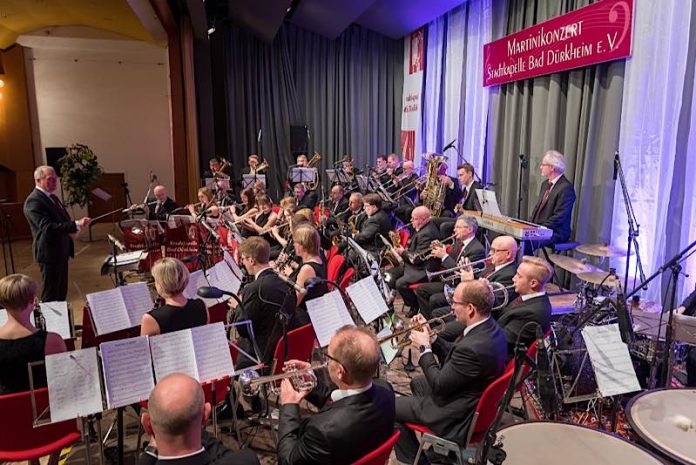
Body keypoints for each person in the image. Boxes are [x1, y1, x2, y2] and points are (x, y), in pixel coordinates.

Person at [394, 280, 507, 465]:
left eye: (455, 302)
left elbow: (439, 385)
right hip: (467, 396)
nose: (452, 306)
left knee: (388, 408)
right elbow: (455, 357)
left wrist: (424, 349)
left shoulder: (473, 348)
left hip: (456, 414)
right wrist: (432, 336)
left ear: (470, 308)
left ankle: (420, 462)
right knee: (418, 383)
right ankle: (439, 452)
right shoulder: (490, 329)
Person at [277, 326, 395, 465]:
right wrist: (313, 383)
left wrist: (288, 406)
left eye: (328, 357)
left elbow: (287, 460)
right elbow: (346, 402)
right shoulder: (385, 390)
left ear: (340, 372)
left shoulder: (321, 430)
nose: (326, 363)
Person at [139, 373, 259, 465]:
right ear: (205, 415)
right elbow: (221, 453)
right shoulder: (246, 461)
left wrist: (149, 453)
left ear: (147, 425)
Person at [432, 235, 519, 341]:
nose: (490, 253)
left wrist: (470, 282)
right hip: (470, 309)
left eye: (494, 250)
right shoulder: (493, 265)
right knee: (435, 314)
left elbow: (491, 304)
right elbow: (479, 280)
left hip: (479, 318)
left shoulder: (510, 275)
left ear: (508, 254)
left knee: (437, 333)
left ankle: (453, 351)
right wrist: (469, 272)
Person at [23, 165, 91, 302]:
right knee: (52, 294)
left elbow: (63, 220)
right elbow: (47, 228)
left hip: (61, 251)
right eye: (50, 179)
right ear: (38, 180)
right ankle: (50, 322)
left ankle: (61, 322)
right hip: (49, 253)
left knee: (61, 292)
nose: (54, 182)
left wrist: (76, 227)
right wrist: (76, 224)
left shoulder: (52, 198)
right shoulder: (34, 201)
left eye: (55, 179)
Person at [231, 237, 296, 368]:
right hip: (281, 348)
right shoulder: (286, 282)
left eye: (243, 259)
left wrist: (238, 306)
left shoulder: (253, 288)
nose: (243, 263)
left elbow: (243, 329)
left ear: (251, 260)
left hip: (260, 354)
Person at [0, 274, 66, 395]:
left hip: (5, 413)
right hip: (44, 411)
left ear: (2, 303)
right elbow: (64, 385)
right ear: (32, 301)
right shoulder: (53, 341)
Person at [415, 216, 486, 318]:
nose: (454, 230)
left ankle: (433, 323)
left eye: (458, 227)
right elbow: (451, 261)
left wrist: (444, 255)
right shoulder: (458, 243)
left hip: (460, 286)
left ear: (469, 230)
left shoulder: (477, 250)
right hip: (449, 282)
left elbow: (460, 272)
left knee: (434, 299)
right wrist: (440, 249)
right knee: (421, 290)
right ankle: (426, 321)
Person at [385, 206, 439, 317]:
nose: (411, 221)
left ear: (423, 219)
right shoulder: (422, 227)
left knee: (400, 284)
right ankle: (389, 303)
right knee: (389, 276)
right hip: (412, 264)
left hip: (423, 268)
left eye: (414, 218)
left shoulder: (427, 234)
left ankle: (415, 305)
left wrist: (402, 252)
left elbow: (417, 258)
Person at [497, 256, 553, 357]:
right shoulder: (527, 296)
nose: (513, 279)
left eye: (519, 276)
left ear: (533, 283)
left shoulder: (534, 313)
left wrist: (482, 304)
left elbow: (500, 341)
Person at [141, 258, 209, 336]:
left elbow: (144, 348)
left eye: (156, 280)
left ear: (161, 283)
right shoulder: (201, 305)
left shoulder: (150, 319)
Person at [529, 150, 576, 247]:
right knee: (514, 239)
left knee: (527, 243)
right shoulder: (545, 184)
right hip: (540, 229)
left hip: (556, 232)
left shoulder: (566, 188)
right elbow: (537, 207)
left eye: (543, 165)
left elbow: (560, 216)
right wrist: (529, 225)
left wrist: (541, 229)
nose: (541, 167)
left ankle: (529, 262)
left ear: (552, 167)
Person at [288, 225, 328, 327]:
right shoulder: (318, 258)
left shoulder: (307, 269)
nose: (293, 245)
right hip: (313, 311)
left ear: (303, 245)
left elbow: (294, 302)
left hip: (305, 317)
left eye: (296, 242)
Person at [438, 163, 482, 239]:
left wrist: (464, 210)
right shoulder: (466, 189)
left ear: (470, 174)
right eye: (458, 176)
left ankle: (449, 248)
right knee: (434, 220)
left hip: (469, 222)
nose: (459, 178)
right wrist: (460, 207)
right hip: (461, 218)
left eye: (461, 175)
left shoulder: (477, 188)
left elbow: (479, 213)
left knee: (444, 226)